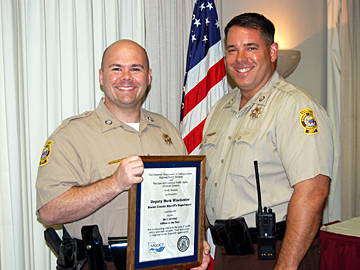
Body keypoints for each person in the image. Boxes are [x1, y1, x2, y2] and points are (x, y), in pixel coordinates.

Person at [36, 39, 210, 270]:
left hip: (166, 260)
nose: (126, 77)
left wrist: (197, 245)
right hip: (102, 264)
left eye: (135, 69)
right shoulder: (71, 135)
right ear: (101, 76)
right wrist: (114, 184)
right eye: (116, 68)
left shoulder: (166, 130)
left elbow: (185, 201)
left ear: (148, 77)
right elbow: (49, 212)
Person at [200, 13, 333, 270]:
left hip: (276, 252)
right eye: (232, 50)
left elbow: (313, 192)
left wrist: (286, 265)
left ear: (272, 52)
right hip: (226, 252)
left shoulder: (294, 106)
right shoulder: (220, 109)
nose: (240, 59)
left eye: (251, 48)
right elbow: (208, 182)